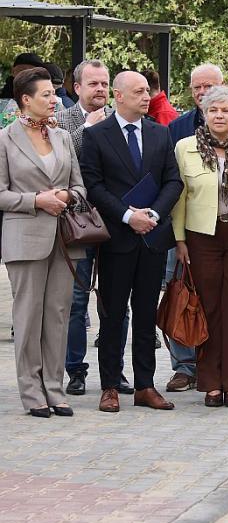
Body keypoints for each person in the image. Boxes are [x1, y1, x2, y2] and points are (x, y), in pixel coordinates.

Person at [79, 70, 185, 413]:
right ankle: (110, 385)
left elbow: (173, 181)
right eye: (139, 91)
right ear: (119, 95)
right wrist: (127, 216)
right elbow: (93, 186)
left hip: (151, 238)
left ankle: (145, 386)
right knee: (112, 315)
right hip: (116, 239)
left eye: (147, 91)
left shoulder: (160, 132)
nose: (146, 97)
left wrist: (152, 214)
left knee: (145, 314)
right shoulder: (96, 135)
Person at [166, 64, 228, 393]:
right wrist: (179, 239)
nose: (219, 115)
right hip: (201, 237)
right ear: (204, 114)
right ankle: (209, 383)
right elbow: (180, 197)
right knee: (206, 306)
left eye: (226, 110)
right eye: (213, 110)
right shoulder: (185, 146)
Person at [0, 68, 86, 417]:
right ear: (26, 99)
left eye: (54, 93)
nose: (54, 100)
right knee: (28, 315)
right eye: (47, 94)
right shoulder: (5, 139)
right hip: (24, 238)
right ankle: (32, 392)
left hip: (65, 239)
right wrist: (36, 200)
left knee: (58, 315)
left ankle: (54, 388)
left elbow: (80, 187)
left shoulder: (62, 136)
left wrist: (67, 195)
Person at [55, 59, 134, 397]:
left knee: (117, 301)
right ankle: (75, 370)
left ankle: (115, 371)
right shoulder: (61, 119)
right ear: (77, 88)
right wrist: (88, 127)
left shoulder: (122, 119)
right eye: (93, 84)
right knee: (75, 301)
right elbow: (61, 160)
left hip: (115, 222)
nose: (100, 89)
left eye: (104, 83)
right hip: (78, 223)